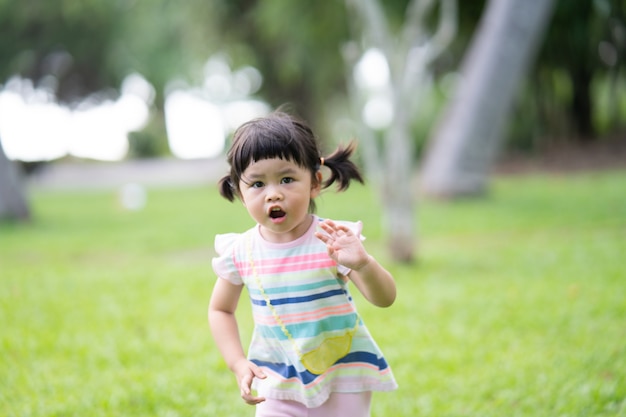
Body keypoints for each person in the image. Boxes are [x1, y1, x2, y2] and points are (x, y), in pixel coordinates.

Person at [208, 111, 397, 417]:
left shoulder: (332, 239)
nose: (274, 194)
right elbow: (220, 309)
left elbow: (385, 298)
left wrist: (364, 265)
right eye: (257, 184)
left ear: (314, 183)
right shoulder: (240, 251)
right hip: (276, 382)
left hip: (342, 379)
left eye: (287, 179)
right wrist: (238, 362)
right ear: (240, 193)